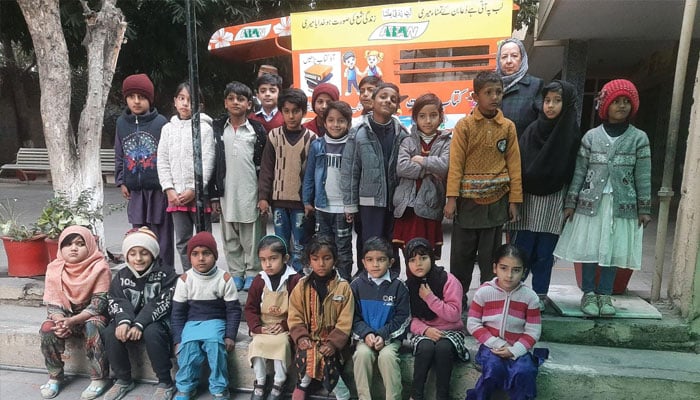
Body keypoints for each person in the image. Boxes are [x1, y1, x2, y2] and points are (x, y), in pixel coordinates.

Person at [553, 79, 651, 317]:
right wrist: (571, 202)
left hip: (622, 206)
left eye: (627, 102)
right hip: (590, 205)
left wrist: (644, 207)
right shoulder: (591, 137)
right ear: (605, 105)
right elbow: (579, 171)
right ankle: (588, 293)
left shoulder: (639, 138)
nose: (622, 106)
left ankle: (605, 294)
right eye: (616, 101)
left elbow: (644, 174)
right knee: (590, 248)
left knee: (613, 249)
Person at [445, 71, 522, 306]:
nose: (494, 97)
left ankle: (488, 301)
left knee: (490, 257)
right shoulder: (465, 126)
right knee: (461, 257)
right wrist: (451, 198)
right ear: (476, 95)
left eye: (498, 92)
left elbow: (514, 164)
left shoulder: (508, 127)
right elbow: (455, 163)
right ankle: (457, 300)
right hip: (467, 204)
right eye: (488, 92)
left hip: (496, 202)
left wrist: (514, 200)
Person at [508, 80, 581, 311]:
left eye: (557, 101)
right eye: (547, 100)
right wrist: (514, 199)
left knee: (545, 253)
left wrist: (570, 203)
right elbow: (517, 167)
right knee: (523, 250)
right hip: (528, 201)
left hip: (554, 202)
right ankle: (516, 292)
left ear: (567, 103)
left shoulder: (570, 135)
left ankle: (540, 294)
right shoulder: (532, 131)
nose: (550, 106)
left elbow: (575, 172)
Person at [102, 227, 178, 400]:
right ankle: (123, 379)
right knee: (110, 332)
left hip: (156, 321)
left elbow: (162, 302)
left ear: (153, 254)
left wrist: (140, 323)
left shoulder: (166, 274)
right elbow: (116, 300)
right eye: (133, 253)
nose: (138, 258)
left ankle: (165, 381)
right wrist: (124, 321)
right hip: (129, 321)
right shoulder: (121, 276)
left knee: (152, 332)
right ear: (126, 255)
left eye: (144, 253)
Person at [341, 82, 409, 275]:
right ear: (373, 100)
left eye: (393, 99)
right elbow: (350, 170)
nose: (388, 101)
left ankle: (392, 279)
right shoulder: (359, 132)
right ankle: (365, 280)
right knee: (369, 242)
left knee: (392, 242)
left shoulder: (401, 133)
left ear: (397, 106)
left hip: (395, 202)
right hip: (369, 202)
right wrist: (350, 205)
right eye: (383, 96)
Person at [39, 225, 111, 400]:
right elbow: (53, 304)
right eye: (68, 244)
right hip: (65, 318)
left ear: (90, 246)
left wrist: (73, 321)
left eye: (80, 244)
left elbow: (99, 304)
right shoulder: (54, 269)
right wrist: (61, 321)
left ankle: (99, 378)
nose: (73, 248)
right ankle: (55, 376)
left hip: (91, 316)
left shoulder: (100, 267)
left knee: (94, 326)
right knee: (47, 329)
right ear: (60, 248)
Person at [171, 231, 242, 400]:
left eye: (206, 253)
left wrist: (230, 335)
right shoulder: (184, 280)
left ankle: (219, 387)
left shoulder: (224, 278)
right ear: (190, 257)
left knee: (215, 347)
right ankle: (186, 386)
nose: (201, 258)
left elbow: (233, 310)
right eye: (195, 254)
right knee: (188, 350)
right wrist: (178, 340)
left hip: (216, 321)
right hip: (192, 323)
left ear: (215, 256)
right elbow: (178, 313)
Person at [212, 81, 268, 291]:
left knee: (252, 235)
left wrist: (263, 196)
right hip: (226, 192)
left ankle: (253, 272)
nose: (236, 102)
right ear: (225, 103)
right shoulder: (218, 129)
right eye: (231, 98)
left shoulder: (256, 131)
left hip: (249, 192)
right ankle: (236, 273)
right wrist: (214, 195)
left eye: (241, 99)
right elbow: (212, 162)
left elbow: (264, 166)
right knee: (230, 235)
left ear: (249, 104)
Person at [466, 244, 542, 400]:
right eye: (504, 268)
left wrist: (515, 350)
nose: (509, 275)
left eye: (516, 270)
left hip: (518, 348)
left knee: (524, 371)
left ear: (523, 272)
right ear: (495, 268)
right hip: (491, 347)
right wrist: (498, 344)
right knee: (493, 369)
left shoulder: (530, 297)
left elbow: (533, 331)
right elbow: (473, 324)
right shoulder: (484, 292)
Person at [115, 73, 174, 267]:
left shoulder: (161, 123)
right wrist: (121, 180)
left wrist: (169, 185)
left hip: (158, 189)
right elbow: (119, 152)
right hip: (135, 190)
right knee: (139, 233)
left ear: (150, 99)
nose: (137, 101)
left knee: (161, 232)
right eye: (132, 97)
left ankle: (165, 271)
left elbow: (168, 155)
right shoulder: (122, 123)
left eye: (141, 97)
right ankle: (142, 271)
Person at [287, 234, 354, 400]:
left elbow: (345, 321)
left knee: (327, 358)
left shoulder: (343, 287)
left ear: (335, 260)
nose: (321, 264)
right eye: (315, 259)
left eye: (327, 258)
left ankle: (338, 392)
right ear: (309, 260)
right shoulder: (302, 286)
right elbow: (295, 316)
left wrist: (333, 343)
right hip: (309, 339)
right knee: (307, 352)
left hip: (334, 344)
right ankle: (304, 384)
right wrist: (301, 337)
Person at [157, 82, 216, 271]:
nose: (185, 104)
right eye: (181, 99)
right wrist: (169, 189)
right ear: (175, 101)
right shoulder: (168, 129)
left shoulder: (204, 129)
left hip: (198, 196)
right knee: (183, 240)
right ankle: (188, 275)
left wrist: (194, 189)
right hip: (176, 197)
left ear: (199, 105)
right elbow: (163, 161)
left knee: (203, 239)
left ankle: (207, 274)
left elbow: (208, 160)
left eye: (190, 100)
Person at [258, 88, 317, 273]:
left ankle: (298, 277)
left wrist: (309, 201)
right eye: (287, 111)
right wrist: (263, 197)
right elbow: (267, 169)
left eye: (296, 111)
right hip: (278, 203)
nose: (291, 116)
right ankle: (282, 276)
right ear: (281, 111)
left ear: (303, 112)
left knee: (300, 244)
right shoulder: (274, 136)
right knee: (281, 243)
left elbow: (312, 174)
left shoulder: (311, 139)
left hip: (301, 204)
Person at [404, 238, 469, 400]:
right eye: (412, 260)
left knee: (443, 349)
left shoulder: (448, 281)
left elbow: (454, 314)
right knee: (425, 348)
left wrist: (430, 298)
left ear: (432, 258)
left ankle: (442, 396)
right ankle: (416, 395)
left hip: (450, 331)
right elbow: (408, 318)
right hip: (425, 331)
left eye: (423, 258)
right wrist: (426, 330)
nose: (418, 264)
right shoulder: (408, 285)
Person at [393, 93, 451, 262]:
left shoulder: (446, 141)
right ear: (415, 118)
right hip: (408, 207)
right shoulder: (408, 141)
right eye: (422, 116)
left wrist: (421, 160)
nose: (428, 121)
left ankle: (428, 286)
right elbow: (402, 167)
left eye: (433, 115)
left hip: (431, 205)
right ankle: (412, 287)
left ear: (440, 117)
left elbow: (444, 166)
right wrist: (429, 169)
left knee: (427, 254)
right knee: (411, 252)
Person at [351, 237, 410, 400]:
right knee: (361, 355)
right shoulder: (356, 286)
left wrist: (383, 335)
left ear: (390, 262)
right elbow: (352, 316)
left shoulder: (399, 286)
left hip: (391, 338)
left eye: (381, 260)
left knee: (387, 357)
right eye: (370, 260)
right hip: (365, 338)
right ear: (363, 262)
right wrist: (366, 334)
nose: (375, 264)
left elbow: (403, 317)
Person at [244, 235, 301, 400]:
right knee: (257, 344)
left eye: (273, 259)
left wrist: (285, 325)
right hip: (264, 326)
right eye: (263, 260)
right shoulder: (259, 280)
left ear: (285, 258)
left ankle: (279, 382)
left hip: (285, 328)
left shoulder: (294, 280)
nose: (267, 264)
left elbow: (298, 310)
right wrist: (257, 328)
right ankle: (261, 382)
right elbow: (250, 308)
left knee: (281, 345)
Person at [303, 101, 355, 280]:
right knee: (323, 245)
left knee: (343, 247)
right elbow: (309, 174)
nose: (335, 124)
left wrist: (351, 206)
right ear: (324, 123)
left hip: (343, 208)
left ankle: (344, 282)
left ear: (348, 123)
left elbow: (356, 177)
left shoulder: (352, 145)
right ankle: (326, 280)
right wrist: (307, 201)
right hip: (322, 207)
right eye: (331, 120)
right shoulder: (318, 145)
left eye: (341, 120)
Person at [496, 38, 545, 138]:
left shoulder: (535, 86)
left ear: (522, 59)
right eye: (504, 57)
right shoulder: (491, 86)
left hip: (522, 151)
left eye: (514, 56)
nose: (509, 61)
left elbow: (544, 125)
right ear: (498, 60)